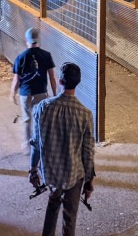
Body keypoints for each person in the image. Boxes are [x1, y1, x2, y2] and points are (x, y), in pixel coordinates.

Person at [29, 62, 95, 236]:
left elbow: (36, 143)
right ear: (78, 82)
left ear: (60, 82)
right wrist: (89, 181)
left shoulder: (42, 108)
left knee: (52, 207)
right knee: (70, 218)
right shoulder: (85, 114)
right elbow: (87, 152)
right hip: (74, 174)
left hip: (51, 174)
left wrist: (33, 169)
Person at [10, 28, 57, 149]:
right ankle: (39, 144)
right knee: (40, 119)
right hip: (41, 92)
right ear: (38, 40)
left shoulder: (21, 57)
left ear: (26, 40)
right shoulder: (46, 55)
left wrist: (13, 94)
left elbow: (16, 79)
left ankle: (28, 144)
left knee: (27, 119)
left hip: (25, 93)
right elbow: (52, 76)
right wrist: (55, 92)